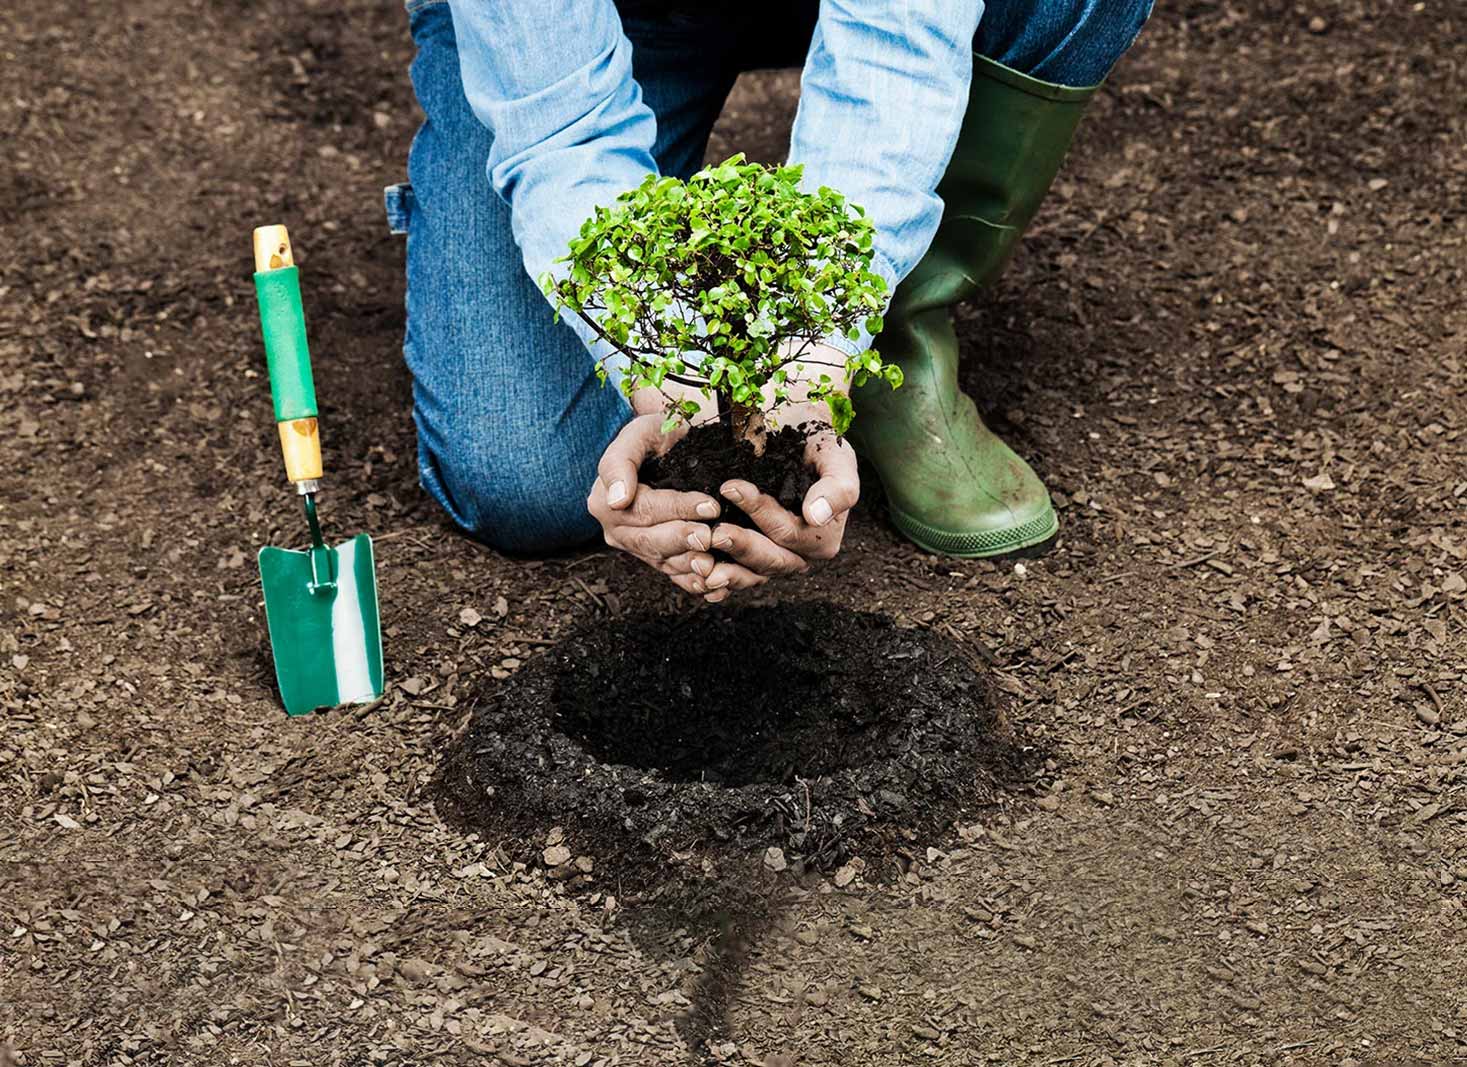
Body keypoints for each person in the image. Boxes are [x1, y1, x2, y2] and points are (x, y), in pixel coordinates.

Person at [384, 0, 1151, 601]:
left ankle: (892, 333)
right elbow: (564, 127)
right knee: (531, 483)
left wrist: (810, 357)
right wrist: (663, 375)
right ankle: (763, 331)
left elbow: (894, 41)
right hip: (605, 24)